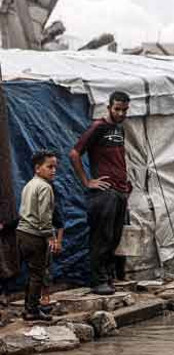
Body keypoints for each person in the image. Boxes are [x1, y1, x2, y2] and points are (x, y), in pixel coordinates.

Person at [69, 91, 131, 296]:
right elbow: (74, 153)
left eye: (124, 110)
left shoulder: (119, 129)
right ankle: (98, 281)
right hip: (105, 193)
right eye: (117, 109)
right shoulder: (98, 127)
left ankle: (108, 277)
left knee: (114, 238)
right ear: (109, 107)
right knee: (102, 238)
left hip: (120, 191)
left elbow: (117, 159)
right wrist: (87, 181)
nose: (121, 113)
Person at [16, 150, 64, 321]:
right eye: (49, 167)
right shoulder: (45, 187)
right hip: (35, 235)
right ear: (37, 168)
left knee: (31, 274)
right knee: (37, 275)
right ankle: (32, 310)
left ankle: (29, 307)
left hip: (22, 233)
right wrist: (50, 236)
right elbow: (44, 215)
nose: (53, 170)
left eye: (55, 167)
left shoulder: (29, 184)